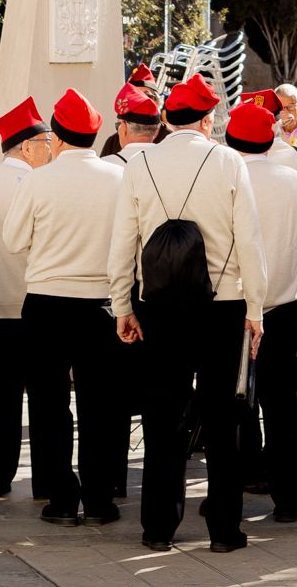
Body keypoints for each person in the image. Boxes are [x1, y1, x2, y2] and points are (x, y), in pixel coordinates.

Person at [107, 71, 263, 552]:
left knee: (162, 416)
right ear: (208, 119)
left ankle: (158, 526)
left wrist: (121, 305)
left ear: (168, 120)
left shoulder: (138, 163)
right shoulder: (229, 162)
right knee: (223, 419)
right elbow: (249, 240)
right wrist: (255, 309)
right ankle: (224, 529)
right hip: (223, 305)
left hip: (159, 304)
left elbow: (124, 241)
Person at [3, 89, 127, 525]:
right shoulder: (118, 178)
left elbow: (14, 240)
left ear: (55, 136)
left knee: (49, 405)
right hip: (101, 304)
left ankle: (61, 498)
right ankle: (99, 499)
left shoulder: (39, 180)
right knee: (101, 406)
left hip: (47, 304)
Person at [227, 96, 297, 522]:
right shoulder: (291, 178)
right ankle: (287, 497)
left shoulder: (225, 178)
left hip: (237, 306)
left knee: (234, 401)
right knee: (284, 403)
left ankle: (236, 487)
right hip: (285, 303)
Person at [0, 97, 55, 502]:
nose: (51, 148)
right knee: (43, 398)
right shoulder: (38, 183)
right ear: (27, 146)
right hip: (35, 302)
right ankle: (44, 481)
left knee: (2, 400)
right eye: (46, 142)